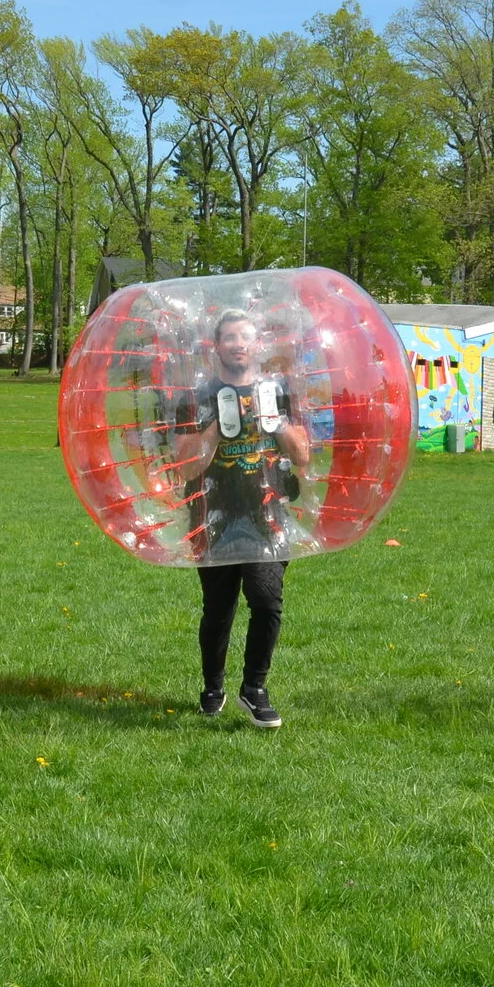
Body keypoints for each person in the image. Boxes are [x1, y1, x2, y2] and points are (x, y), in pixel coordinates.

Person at [170, 309, 312, 728]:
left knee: (267, 602)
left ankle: (255, 690)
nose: (237, 344)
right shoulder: (195, 397)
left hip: (266, 513)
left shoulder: (278, 391)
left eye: (244, 336)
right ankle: (213, 687)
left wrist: (275, 421)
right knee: (218, 609)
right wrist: (217, 426)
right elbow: (185, 467)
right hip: (212, 515)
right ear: (217, 346)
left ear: (257, 345)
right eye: (228, 337)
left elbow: (301, 455)